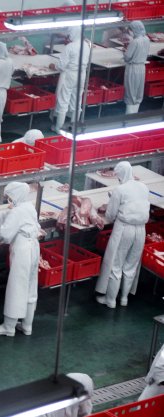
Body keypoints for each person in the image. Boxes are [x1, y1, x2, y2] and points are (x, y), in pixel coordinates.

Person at [0, 182, 40, 337]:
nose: (8, 199)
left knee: (17, 286)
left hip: (22, 250)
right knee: (30, 286)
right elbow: (7, 216)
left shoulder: (17, 211)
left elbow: (5, 234)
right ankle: (27, 326)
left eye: (9, 196)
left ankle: (9, 327)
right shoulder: (28, 206)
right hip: (34, 247)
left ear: (15, 195)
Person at [95, 161, 150, 308]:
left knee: (116, 264)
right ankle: (124, 298)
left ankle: (110, 300)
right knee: (131, 264)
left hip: (124, 228)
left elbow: (110, 215)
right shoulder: (143, 187)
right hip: (141, 229)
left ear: (120, 175)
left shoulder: (120, 190)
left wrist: (110, 206)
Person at [51, 26, 91, 133]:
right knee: (77, 101)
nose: (69, 36)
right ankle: (74, 127)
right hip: (82, 74)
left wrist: (53, 66)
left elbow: (61, 66)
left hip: (70, 75)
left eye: (70, 33)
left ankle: (59, 128)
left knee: (63, 101)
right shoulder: (86, 45)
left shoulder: (70, 47)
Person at [124, 21, 150, 115]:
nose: (130, 32)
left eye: (130, 30)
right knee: (138, 92)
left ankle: (129, 116)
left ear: (134, 30)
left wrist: (125, 51)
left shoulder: (135, 42)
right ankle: (135, 114)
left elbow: (127, 57)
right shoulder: (147, 39)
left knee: (131, 93)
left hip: (133, 69)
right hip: (142, 67)